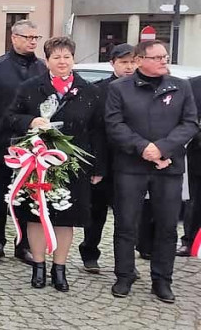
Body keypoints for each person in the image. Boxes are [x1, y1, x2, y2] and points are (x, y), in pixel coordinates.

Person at [5, 37, 107, 292]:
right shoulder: (30, 87)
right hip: (38, 163)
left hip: (74, 165)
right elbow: (10, 117)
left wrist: (98, 167)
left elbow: (98, 132)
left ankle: (59, 268)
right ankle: (38, 266)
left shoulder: (90, 91)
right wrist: (31, 121)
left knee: (66, 218)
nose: (62, 62)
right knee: (36, 216)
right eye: (56, 57)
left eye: (67, 57)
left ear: (73, 58)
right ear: (47, 60)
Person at [106, 40, 198, 303]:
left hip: (168, 167)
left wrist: (162, 149)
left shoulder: (181, 87)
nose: (163, 61)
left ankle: (162, 280)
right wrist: (143, 147)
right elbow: (114, 124)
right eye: (157, 57)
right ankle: (124, 275)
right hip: (131, 167)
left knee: (167, 226)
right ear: (140, 60)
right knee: (126, 223)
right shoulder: (119, 88)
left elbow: (190, 123)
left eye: (165, 57)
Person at [0, 20, 46, 263]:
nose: (33, 42)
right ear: (14, 38)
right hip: (2, 142)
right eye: (28, 37)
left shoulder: (42, 68)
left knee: (27, 195)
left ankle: (23, 243)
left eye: (36, 38)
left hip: (33, 146)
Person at [79, 43, 136, 273]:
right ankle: (90, 252)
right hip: (104, 162)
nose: (129, 67)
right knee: (96, 213)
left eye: (133, 62)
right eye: (124, 62)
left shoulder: (143, 89)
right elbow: (93, 131)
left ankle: (125, 262)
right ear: (112, 63)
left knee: (128, 216)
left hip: (132, 163)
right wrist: (97, 166)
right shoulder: (98, 90)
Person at [184, 75, 201, 257]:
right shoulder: (193, 84)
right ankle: (189, 240)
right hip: (198, 153)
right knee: (195, 201)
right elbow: (188, 120)